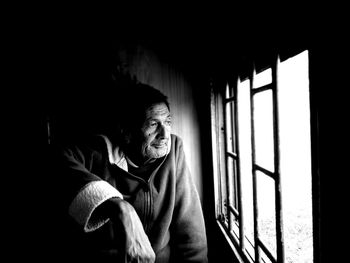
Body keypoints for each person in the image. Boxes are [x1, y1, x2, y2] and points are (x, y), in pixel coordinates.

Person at [48, 82, 208, 263]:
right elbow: (54, 160)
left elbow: (191, 228)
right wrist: (118, 206)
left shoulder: (174, 150)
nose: (164, 134)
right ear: (126, 131)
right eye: (153, 124)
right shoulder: (97, 151)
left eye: (168, 122)